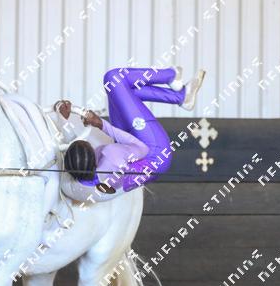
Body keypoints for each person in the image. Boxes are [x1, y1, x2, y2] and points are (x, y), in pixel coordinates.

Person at [55, 66, 205, 202]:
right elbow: (141, 147)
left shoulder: (83, 172)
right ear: (93, 159)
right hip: (153, 152)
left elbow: (72, 142)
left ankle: (181, 97)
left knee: (122, 92)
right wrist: (100, 124)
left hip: (130, 154)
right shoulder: (110, 155)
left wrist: (63, 118)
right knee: (113, 79)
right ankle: (170, 75)